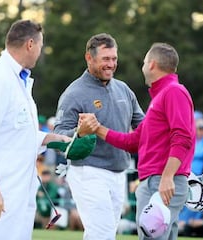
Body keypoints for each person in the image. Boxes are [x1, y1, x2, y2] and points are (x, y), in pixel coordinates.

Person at [0, 20, 71, 240]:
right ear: (30, 44)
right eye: (40, 46)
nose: (40, 52)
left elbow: (16, 134)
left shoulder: (19, 81)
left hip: (16, 195)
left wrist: (51, 138)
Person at [80, 42, 195, 240]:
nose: (142, 67)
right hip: (159, 180)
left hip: (161, 181)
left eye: (143, 62)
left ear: (151, 65)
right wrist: (97, 129)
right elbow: (134, 141)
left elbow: (183, 137)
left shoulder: (173, 92)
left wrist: (168, 177)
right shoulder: (161, 97)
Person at [53, 33, 145, 239]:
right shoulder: (73, 94)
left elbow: (144, 127)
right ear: (89, 58)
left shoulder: (124, 89)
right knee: (101, 234)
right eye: (105, 59)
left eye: (114, 59)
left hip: (119, 172)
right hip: (88, 172)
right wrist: (80, 132)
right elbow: (58, 136)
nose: (111, 64)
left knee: (105, 234)